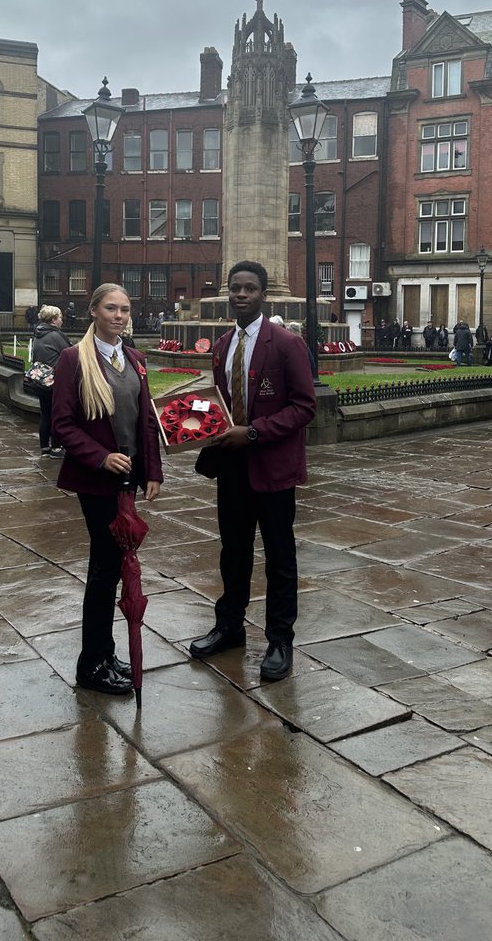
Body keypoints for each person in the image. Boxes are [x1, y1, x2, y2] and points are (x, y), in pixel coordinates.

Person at [189, 260, 317, 682]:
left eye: (249, 288)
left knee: (280, 557)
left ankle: (280, 639)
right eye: (235, 288)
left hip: (273, 468)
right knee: (234, 551)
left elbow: (304, 407)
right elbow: (223, 406)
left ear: (264, 294)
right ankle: (230, 625)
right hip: (233, 468)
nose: (241, 294)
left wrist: (255, 433)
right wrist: (197, 423)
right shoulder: (223, 345)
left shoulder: (285, 343)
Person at [50, 283, 163, 694]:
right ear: (94, 310)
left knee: (115, 566)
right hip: (97, 479)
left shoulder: (135, 358)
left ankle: (105, 652)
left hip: (130, 477)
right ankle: (91, 666)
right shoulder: (73, 359)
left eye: (125, 309)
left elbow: (146, 420)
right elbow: (62, 424)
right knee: (105, 568)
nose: (119, 315)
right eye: (111, 308)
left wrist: (153, 471)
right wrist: (100, 456)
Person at [33, 305, 71, 456]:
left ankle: (45, 447)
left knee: (46, 413)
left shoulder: (38, 333)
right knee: (57, 414)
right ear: (53, 319)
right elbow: (70, 353)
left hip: (40, 381)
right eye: (60, 317)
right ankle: (56, 447)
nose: (62, 320)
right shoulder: (56, 335)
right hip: (54, 382)